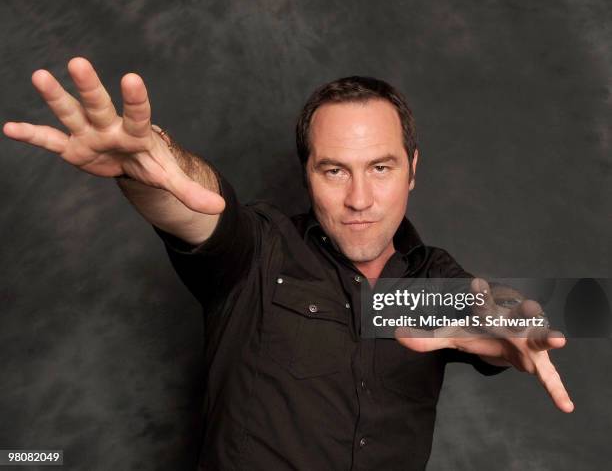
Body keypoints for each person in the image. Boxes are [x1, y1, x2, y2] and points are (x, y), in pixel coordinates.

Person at [3, 57, 574, 471]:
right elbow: (194, 205)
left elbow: (486, 305)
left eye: (380, 168)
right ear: (307, 174)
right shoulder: (260, 251)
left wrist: (517, 320)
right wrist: (144, 160)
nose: (359, 199)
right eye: (334, 170)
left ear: (412, 169)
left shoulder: (426, 280)